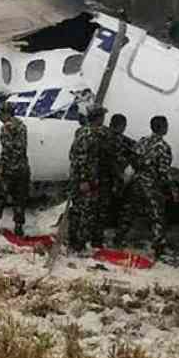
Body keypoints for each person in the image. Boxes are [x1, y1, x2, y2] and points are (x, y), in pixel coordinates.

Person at [115, 116, 178, 256]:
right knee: (157, 216)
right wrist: (171, 189)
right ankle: (159, 247)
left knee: (129, 212)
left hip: (137, 182)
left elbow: (132, 159)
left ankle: (118, 238)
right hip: (151, 185)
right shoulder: (164, 147)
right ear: (163, 128)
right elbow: (163, 172)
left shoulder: (142, 141)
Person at [67, 107, 108, 252]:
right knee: (85, 211)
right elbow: (80, 157)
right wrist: (84, 179)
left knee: (78, 210)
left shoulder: (84, 131)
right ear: (97, 118)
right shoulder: (89, 134)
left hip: (81, 177)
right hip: (84, 179)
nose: (103, 119)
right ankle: (79, 243)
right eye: (102, 116)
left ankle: (74, 240)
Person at [0, 102, 30, 236]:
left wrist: (0, 170)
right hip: (22, 169)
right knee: (19, 199)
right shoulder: (22, 126)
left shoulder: (6, 128)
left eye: (1, 114)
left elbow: (8, 150)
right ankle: (19, 227)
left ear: (6, 113)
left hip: (9, 170)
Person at [101, 114, 135, 229]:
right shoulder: (112, 139)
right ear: (121, 126)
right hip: (109, 175)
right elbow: (111, 159)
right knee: (109, 201)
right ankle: (107, 224)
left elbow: (129, 143)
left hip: (106, 175)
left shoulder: (108, 134)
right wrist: (120, 175)